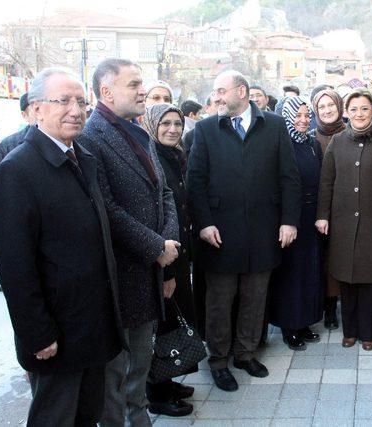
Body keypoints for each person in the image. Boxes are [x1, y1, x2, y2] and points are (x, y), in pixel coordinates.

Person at [0, 67, 124, 426]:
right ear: (36, 110)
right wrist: (37, 333)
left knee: (87, 415)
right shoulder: (17, 170)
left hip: (93, 325)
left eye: (81, 101)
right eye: (62, 101)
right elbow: (15, 266)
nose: (76, 110)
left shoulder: (83, 159)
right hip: (57, 334)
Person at [80, 58, 180, 426]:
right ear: (107, 92)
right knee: (117, 378)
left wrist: (167, 244)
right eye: (134, 84)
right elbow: (107, 209)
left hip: (150, 272)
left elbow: (163, 192)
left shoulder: (137, 128)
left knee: (140, 367)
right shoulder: (92, 136)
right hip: (123, 276)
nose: (143, 90)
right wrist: (157, 247)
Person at [187, 70, 301, 391]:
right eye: (214, 92)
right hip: (219, 234)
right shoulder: (207, 129)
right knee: (220, 302)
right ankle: (219, 361)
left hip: (265, 231)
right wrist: (205, 223)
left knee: (255, 297)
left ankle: (245, 353)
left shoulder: (275, 126)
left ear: (242, 91)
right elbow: (194, 182)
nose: (217, 98)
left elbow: (289, 178)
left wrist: (289, 220)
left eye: (221, 91)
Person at [316, 88, 372, 351]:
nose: (359, 114)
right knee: (346, 278)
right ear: (346, 113)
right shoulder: (338, 141)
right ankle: (350, 330)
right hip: (341, 222)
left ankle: (369, 333)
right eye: (353, 109)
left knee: (370, 280)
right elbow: (327, 182)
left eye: (364, 108)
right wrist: (322, 215)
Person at [143, 104, 196, 417]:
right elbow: (161, 219)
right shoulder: (152, 160)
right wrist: (167, 273)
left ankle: (169, 381)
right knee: (162, 328)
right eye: (165, 123)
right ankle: (157, 393)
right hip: (165, 260)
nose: (173, 129)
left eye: (178, 123)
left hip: (179, 255)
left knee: (175, 322)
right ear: (152, 125)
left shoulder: (174, 156)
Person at [269, 96, 323, 351]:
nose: (303, 120)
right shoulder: (280, 143)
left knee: (308, 270)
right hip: (289, 216)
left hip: (311, 215)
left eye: (307, 115)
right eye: (297, 115)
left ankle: (304, 321)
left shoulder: (313, 143)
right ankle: (289, 326)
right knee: (289, 273)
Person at [310, 89, 346, 329]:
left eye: (330, 105)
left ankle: (332, 307)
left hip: (343, 208)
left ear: (339, 107)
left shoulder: (351, 134)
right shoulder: (310, 137)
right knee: (317, 259)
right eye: (321, 107)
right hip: (314, 209)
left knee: (337, 257)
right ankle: (318, 303)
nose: (326, 111)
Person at [0, 93, 36, 167]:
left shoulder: (60, 139)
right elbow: (1, 176)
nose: (42, 114)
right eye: (36, 110)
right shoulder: (8, 144)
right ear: (25, 115)